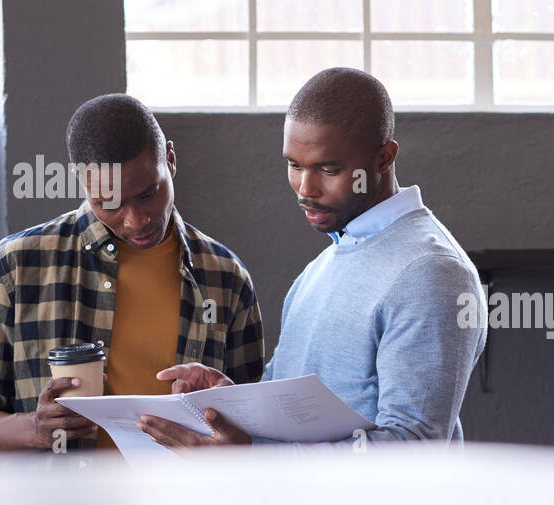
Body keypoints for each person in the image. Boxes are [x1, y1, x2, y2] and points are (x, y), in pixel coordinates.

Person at [137, 67, 486, 450]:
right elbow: (288, 417)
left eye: (329, 169)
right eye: (294, 165)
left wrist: (250, 456)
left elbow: (413, 447)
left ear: (385, 157)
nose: (305, 189)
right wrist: (229, 404)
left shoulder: (430, 272)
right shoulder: (319, 270)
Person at [0, 94, 265, 452]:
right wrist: (34, 429)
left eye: (148, 194)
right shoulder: (14, 268)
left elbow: (253, 433)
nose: (136, 220)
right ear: (83, 184)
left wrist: (230, 440)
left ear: (170, 161)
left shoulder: (225, 278)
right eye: (107, 204)